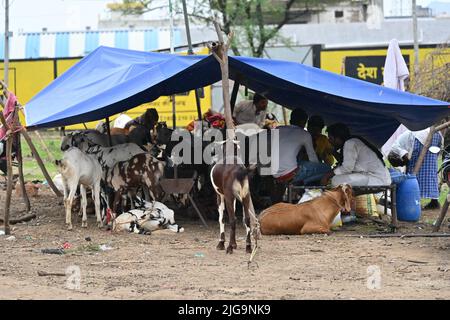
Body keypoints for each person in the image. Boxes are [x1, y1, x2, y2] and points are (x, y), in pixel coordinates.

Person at [272, 109, 330, 186]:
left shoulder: (278, 129)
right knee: (328, 169)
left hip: (271, 171)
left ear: (290, 120)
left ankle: (302, 182)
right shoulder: (304, 134)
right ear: (304, 122)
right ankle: (304, 182)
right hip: (290, 173)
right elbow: (313, 159)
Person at [388, 128, 443, 210]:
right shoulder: (437, 132)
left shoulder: (409, 134)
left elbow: (397, 148)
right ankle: (434, 201)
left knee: (414, 177)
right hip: (431, 152)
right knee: (431, 176)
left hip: (418, 154)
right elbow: (439, 148)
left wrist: (405, 157)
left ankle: (414, 201)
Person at [321, 123, 391, 187]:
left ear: (337, 138)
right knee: (336, 178)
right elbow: (345, 164)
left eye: (330, 138)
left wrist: (327, 176)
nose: (329, 141)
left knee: (335, 180)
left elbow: (347, 168)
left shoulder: (350, 143)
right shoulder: (351, 142)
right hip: (374, 177)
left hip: (375, 179)